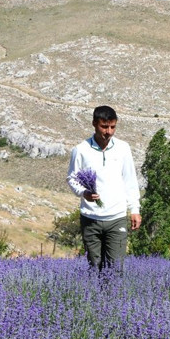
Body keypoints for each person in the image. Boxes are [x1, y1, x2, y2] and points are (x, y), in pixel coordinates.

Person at [67, 105, 141, 273]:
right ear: (94, 124)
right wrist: (84, 193)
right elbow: (72, 178)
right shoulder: (81, 150)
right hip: (90, 218)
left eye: (112, 127)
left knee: (116, 268)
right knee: (94, 267)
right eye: (104, 126)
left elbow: (130, 180)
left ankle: (112, 299)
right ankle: (97, 298)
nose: (108, 132)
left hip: (117, 217)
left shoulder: (123, 148)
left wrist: (135, 209)